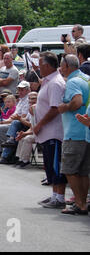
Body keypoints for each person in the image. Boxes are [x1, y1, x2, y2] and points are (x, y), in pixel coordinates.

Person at [57, 54, 89, 215]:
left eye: (61, 66)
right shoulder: (86, 79)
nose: (60, 69)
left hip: (75, 132)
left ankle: (80, 202)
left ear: (67, 66)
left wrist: (65, 107)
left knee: (69, 169)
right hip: (85, 133)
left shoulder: (73, 81)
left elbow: (77, 101)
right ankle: (82, 202)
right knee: (83, 171)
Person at [35, 52, 67, 209]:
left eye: (40, 65)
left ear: (47, 66)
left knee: (56, 165)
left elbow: (55, 109)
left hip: (54, 132)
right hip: (47, 133)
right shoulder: (48, 81)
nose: (38, 68)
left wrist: (40, 124)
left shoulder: (55, 83)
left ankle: (60, 197)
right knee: (49, 165)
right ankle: (55, 195)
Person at [14, 92, 38, 168]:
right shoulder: (31, 110)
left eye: (33, 98)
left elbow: (36, 129)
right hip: (34, 132)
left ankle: (25, 160)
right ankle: (19, 158)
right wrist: (23, 133)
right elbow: (31, 127)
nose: (31, 101)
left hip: (42, 134)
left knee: (27, 138)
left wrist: (25, 133)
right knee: (22, 137)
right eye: (30, 99)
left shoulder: (39, 110)